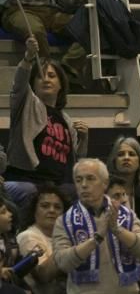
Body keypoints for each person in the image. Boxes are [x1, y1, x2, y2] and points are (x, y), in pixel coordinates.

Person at [52, 159, 140, 294]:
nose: (84, 185)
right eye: (78, 180)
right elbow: (63, 262)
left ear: (104, 184)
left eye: (90, 178)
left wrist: (117, 230)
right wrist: (96, 238)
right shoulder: (65, 221)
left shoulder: (126, 215)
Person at [4, 37, 87, 205]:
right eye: (41, 76)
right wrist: (28, 58)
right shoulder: (26, 104)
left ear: (61, 84)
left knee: (82, 192)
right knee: (29, 192)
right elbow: (19, 84)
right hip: (27, 180)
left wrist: (84, 139)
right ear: (33, 83)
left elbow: (77, 158)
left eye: (51, 76)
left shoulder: (66, 120)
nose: (46, 79)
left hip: (57, 184)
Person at [17, 185, 69, 294]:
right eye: (45, 206)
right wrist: (68, 249)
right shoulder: (28, 236)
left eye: (57, 207)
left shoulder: (63, 236)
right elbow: (43, 275)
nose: (52, 210)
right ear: (34, 211)